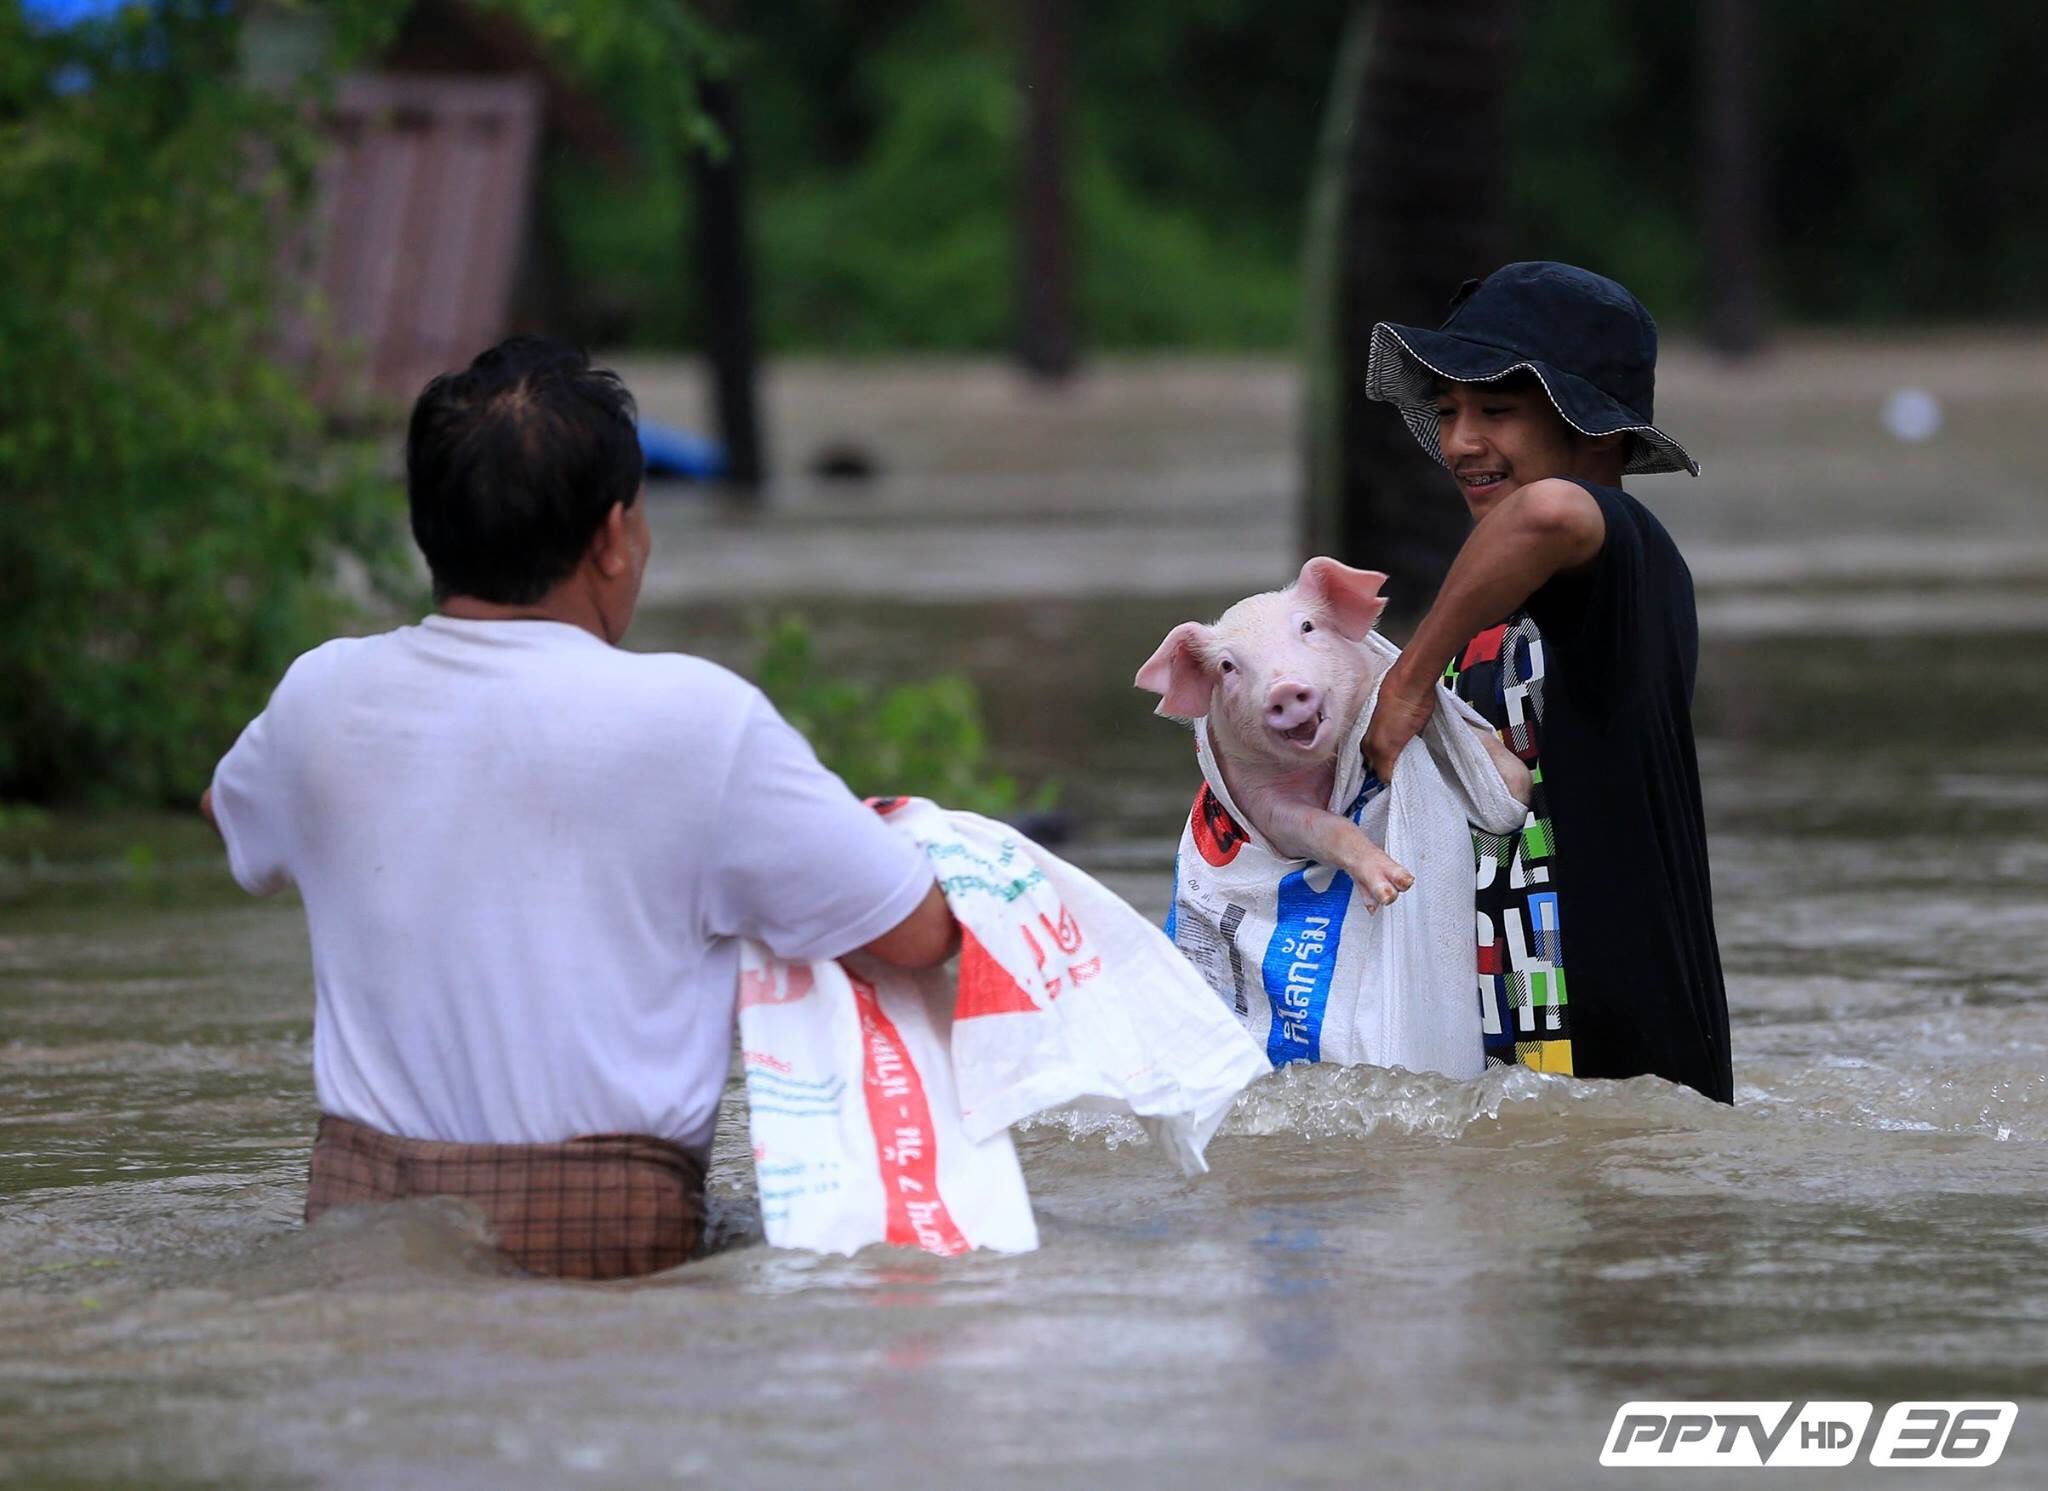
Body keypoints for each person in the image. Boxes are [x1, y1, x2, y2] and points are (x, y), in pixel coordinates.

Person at [201, 336, 957, 1279]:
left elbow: (229, 816)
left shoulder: (319, 696)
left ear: (430, 529)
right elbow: (919, 931)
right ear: (613, 537)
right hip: (605, 1238)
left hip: (360, 1230)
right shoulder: (700, 721)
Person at [1358, 262, 1732, 1104]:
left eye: (1496, 411)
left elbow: (1551, 513)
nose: (1460, 442)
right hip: (1514, 1058)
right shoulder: (1488, 611)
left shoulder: (1631, 558)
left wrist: (1409, 683)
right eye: (1449, 413)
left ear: (1593, 432)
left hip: (1630, 1060)